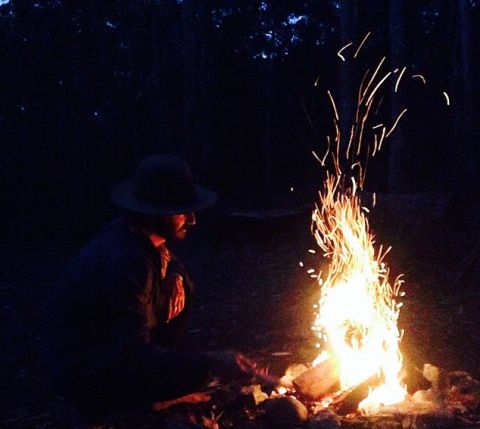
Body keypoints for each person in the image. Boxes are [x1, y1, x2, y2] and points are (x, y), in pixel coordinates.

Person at [43, 154, 264, 422]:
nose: (192, 219)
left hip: (110, 354)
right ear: (154, 213)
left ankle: (156, 392)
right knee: (198, 373)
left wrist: (176, 276)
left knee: (184, 290)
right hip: (85, 371)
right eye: (182, 211)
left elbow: (170, 263)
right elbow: (132, 355)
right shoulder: (127, 261)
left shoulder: (141, 236)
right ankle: (136, 405)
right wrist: (213, 363)